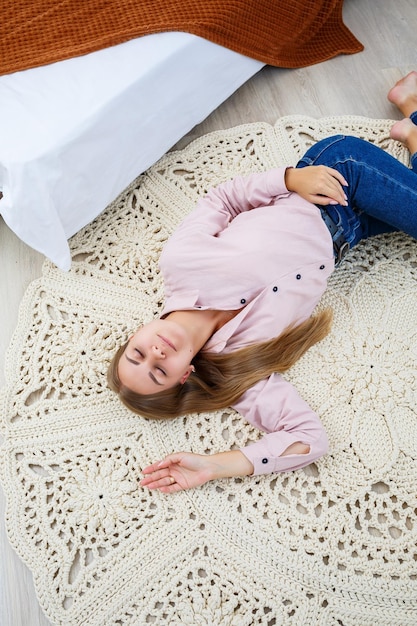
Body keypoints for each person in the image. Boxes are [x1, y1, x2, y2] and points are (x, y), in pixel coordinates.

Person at [108, 71, 417, 493]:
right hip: (351, 233)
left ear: (136, 335)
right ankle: (412, 128)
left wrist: (290, 178)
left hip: (332, 178)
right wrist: (214, 466)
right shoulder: (240, 371)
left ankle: (412, 113)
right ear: (184, 376)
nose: (156, 352)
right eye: (159, 370)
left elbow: (222, 199)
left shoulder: (180, 264)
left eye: (138, 352)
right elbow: (308, 440)